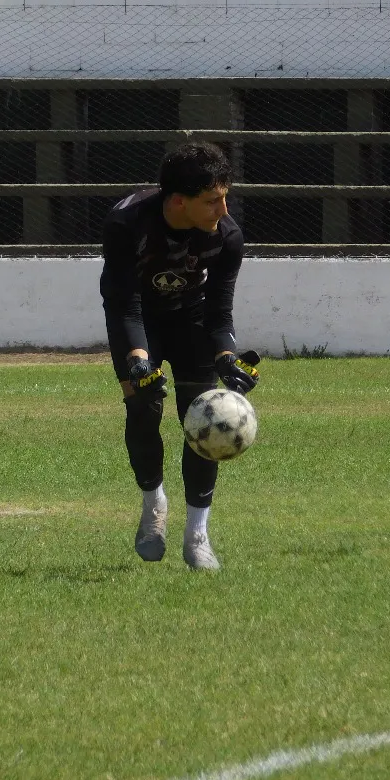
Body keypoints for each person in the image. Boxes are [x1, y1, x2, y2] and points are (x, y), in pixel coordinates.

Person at [99, 141, 260, 571]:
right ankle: (154, 504)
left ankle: (197, 534)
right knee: (143, 410)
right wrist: (138, 360)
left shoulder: (228, 237)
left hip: (190, 321)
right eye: (212, 201)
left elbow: (219, 312)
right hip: (137, 321)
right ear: (178, 201)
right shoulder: (127, 223)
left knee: (206, 418)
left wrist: (227, 354)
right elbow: (124, 304)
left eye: (226, 197)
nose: (223, 211)